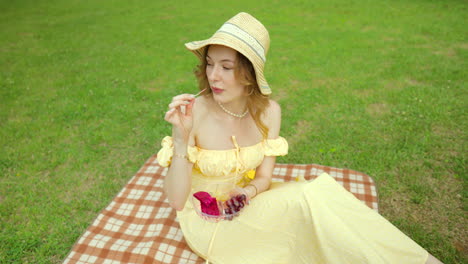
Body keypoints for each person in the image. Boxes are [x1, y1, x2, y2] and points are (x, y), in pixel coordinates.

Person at [157, 12, 443, 264]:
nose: (213, 76)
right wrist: (181, 141)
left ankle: (416, 260)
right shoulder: (195, 114)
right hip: (210, 221)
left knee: (320, 196)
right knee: (305, 207)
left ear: (249, 74)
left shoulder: (269, 113)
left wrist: (247, 193)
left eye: (226, 67)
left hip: (250, 204)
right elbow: (177, 201)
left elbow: (264, 177)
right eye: (209, 64)